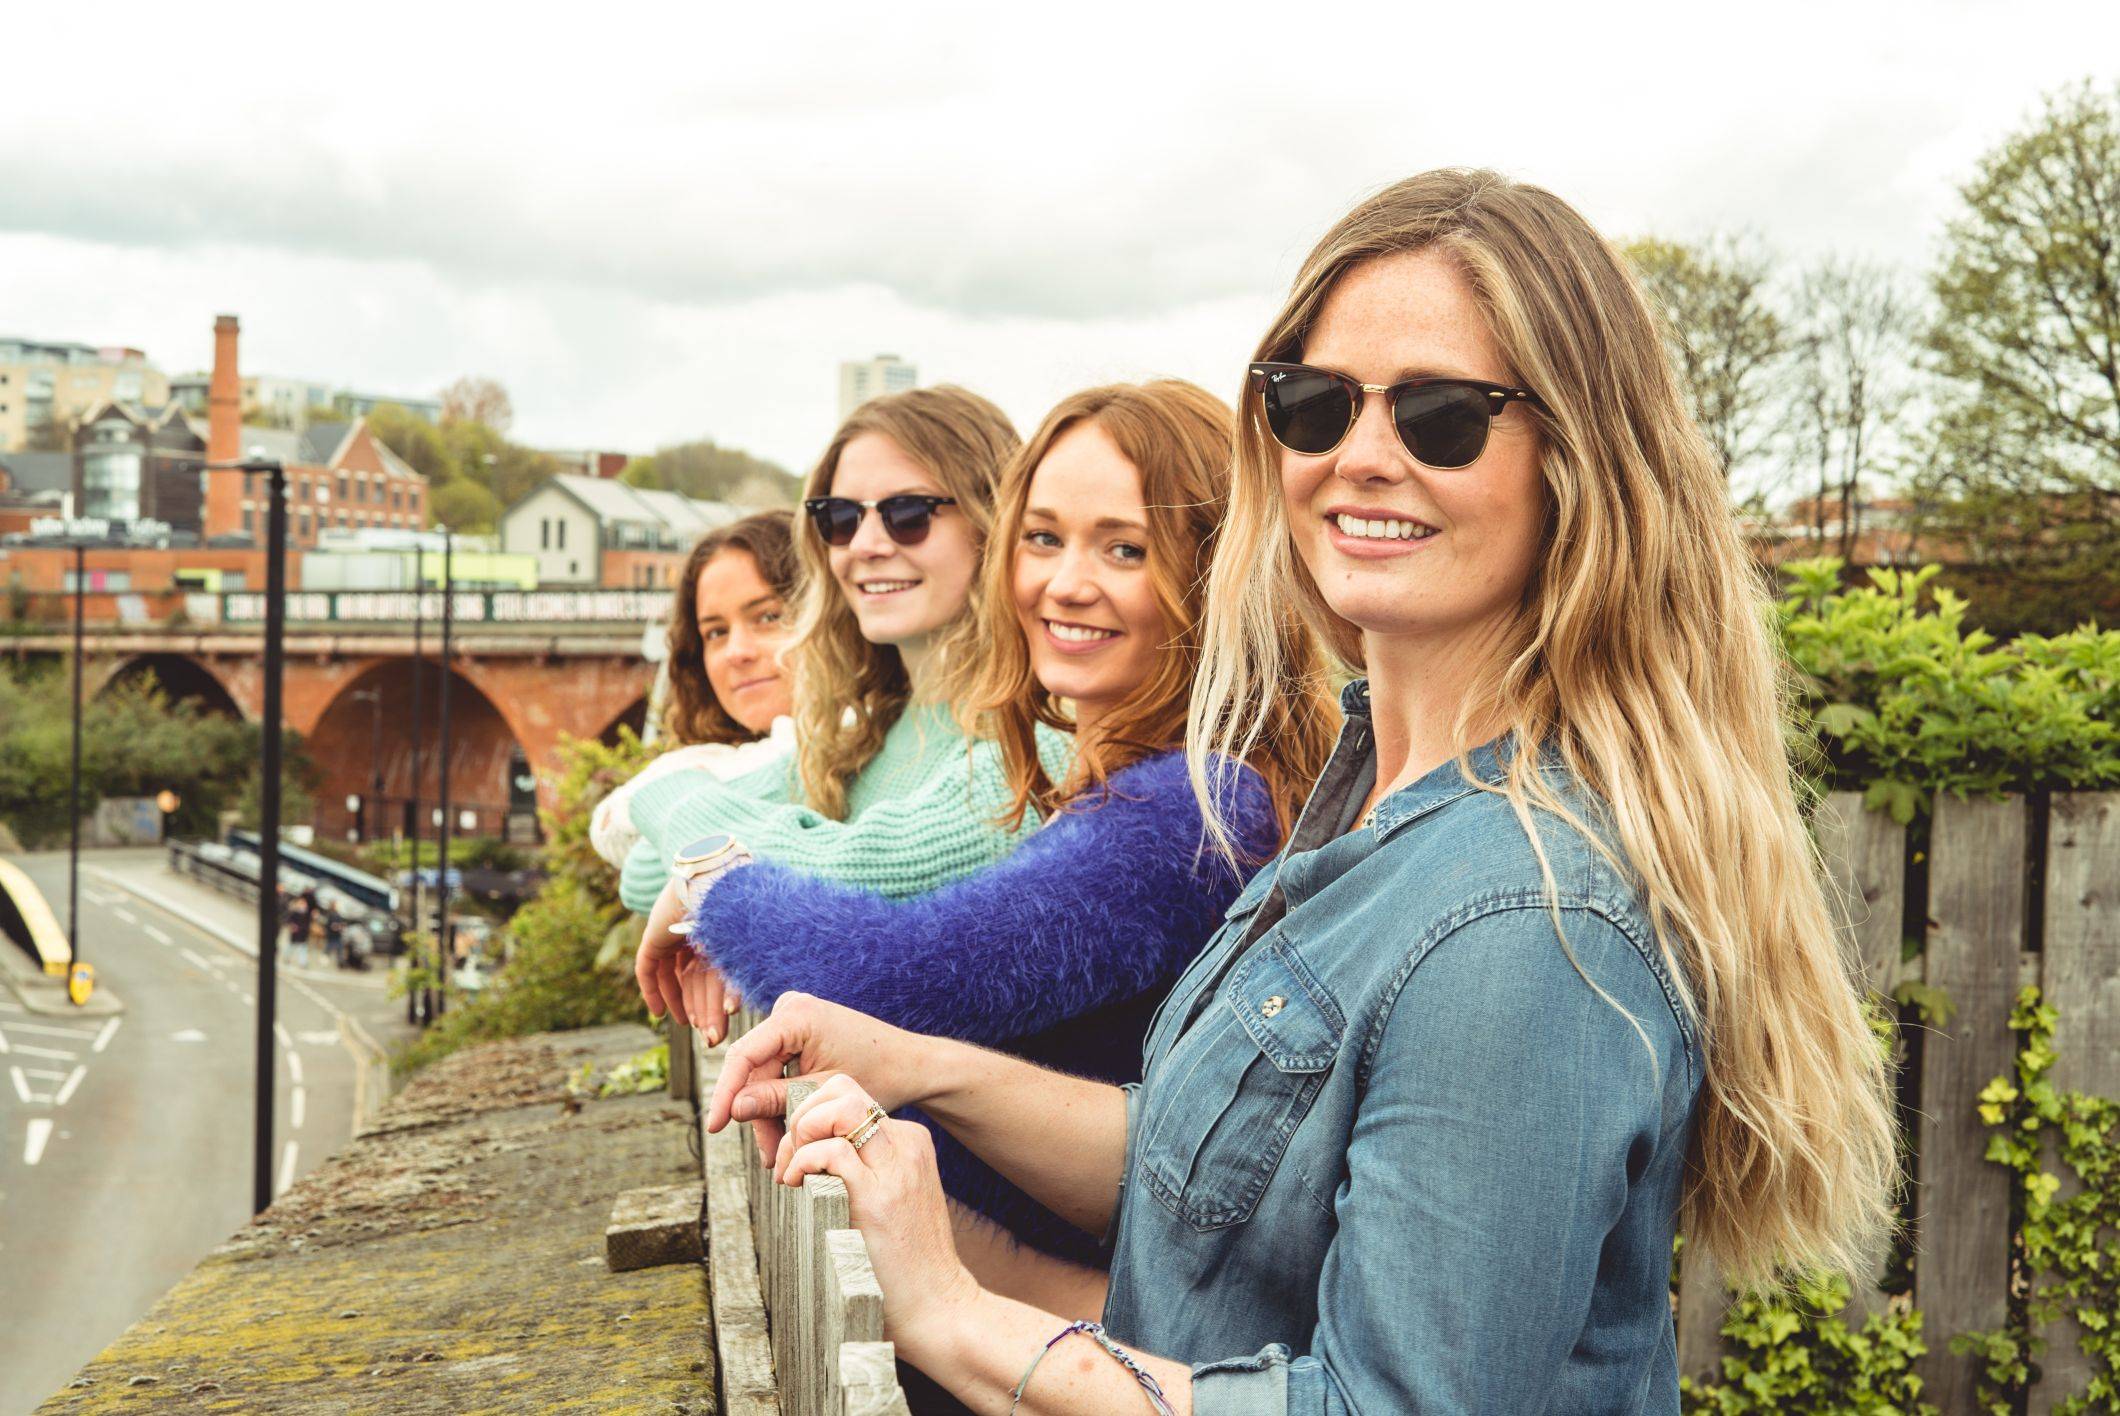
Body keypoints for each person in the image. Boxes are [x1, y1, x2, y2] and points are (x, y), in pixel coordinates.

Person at [694, 170, 1899, 1414]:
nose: (1360, 457)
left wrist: (957, 1319)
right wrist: (915, 1066)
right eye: (1314, 405)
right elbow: (1203, 1184)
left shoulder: (1521, 922)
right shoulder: (1372, 797)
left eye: (1441, 415)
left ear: (1578, 461)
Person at [637, 382, 1336, 1270]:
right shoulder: (1161, 784)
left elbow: (888, 979)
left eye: (1125, 549)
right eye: (1043, 539)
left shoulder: (1195, 811)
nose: (1065, 583)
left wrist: (707, 879)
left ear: (1213, 572)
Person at [616, 385, 1071, 917]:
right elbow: (644, 871)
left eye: (908, 514)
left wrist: (674, 801)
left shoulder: (1040, 736)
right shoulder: (867, 732)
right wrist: (689, 826)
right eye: (841, 518)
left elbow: (857, 873)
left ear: (991, 520)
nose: (866, 546)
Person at [591, 510, 800, 872]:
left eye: (768, 617)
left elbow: (640, 862)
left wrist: (674, 787)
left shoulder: (870, 740)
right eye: (716, 632)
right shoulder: (724, 758)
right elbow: (608, 831)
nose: (737, 652)